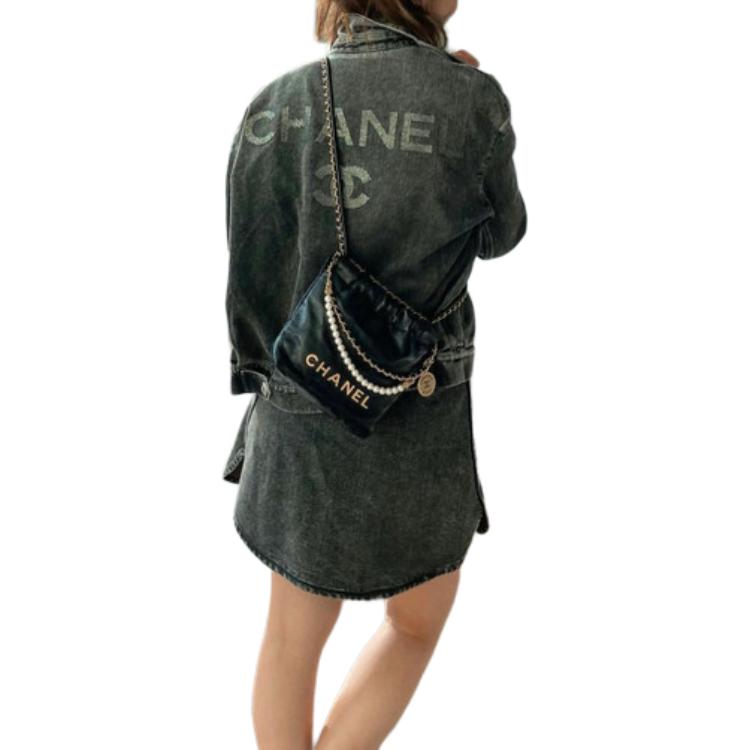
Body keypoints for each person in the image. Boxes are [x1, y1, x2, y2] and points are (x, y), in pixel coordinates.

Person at [221, 1, 527, 746]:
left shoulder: (274, 106)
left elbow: (252, 268)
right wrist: (466, 107)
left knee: (291, 636)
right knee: (415, 624)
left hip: (303, 396)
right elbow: (502, 235)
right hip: (419, 409)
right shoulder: (471, 100)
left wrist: (264, 381)